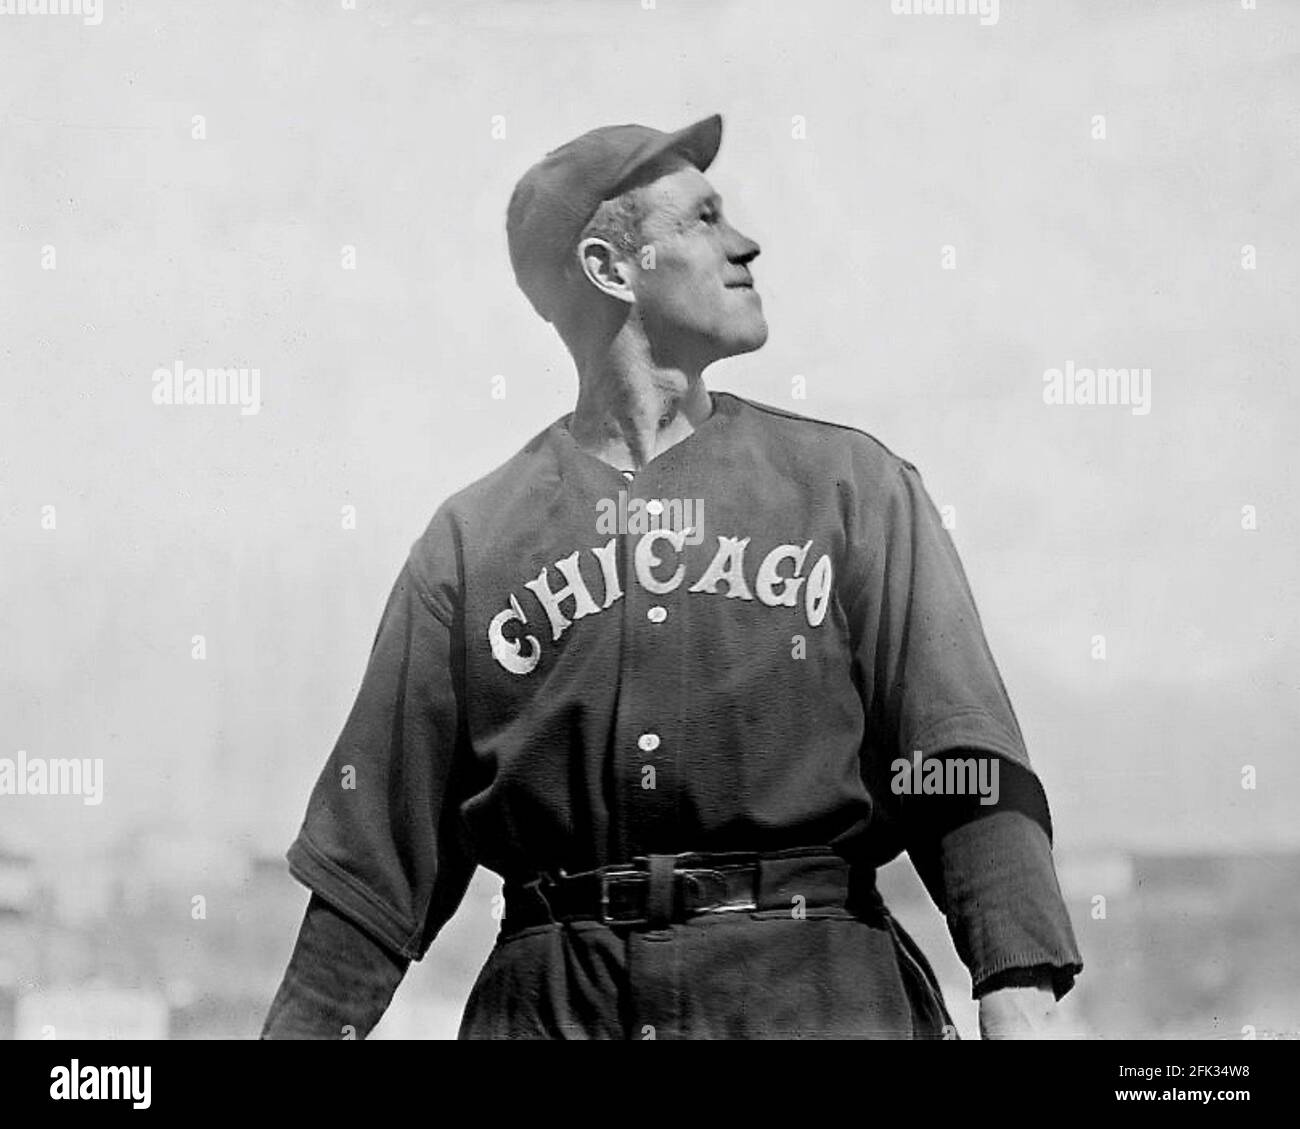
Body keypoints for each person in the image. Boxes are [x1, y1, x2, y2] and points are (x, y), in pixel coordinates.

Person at [261, 113, 1082, 1040]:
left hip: (810, 999)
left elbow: (959, 763)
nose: (747, 244)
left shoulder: (851, 490)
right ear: (611, 268)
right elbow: (372, 868)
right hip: (556, 1008)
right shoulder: (472, 542)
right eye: (703, 219)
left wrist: (1019, 991)